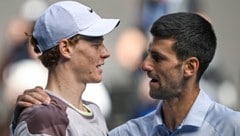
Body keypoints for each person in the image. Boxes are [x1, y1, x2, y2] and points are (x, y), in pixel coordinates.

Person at [14, 12, 240, 135]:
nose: (144, 66)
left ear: (190, 67)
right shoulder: (131, 132)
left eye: (158, 58)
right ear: (65, 49)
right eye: (95, 44)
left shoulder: (233, 127)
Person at [10, 1, 119, 135]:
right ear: (66, 48)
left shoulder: (93, 109)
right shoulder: (43, 118)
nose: (105, 53)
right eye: (96, 44)